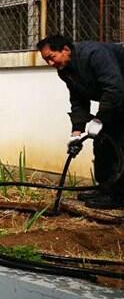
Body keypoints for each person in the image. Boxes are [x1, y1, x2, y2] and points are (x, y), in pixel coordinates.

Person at [37, 34, 124, 209]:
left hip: (119, 94)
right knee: (102, 142)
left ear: (66, 50)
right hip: (116, 100)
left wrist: (99, 119)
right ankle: (105, 189)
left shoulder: (94, 54)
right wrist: (76, 133)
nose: (50, 64)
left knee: (121, 144)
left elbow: (114, 88)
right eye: (47, 60)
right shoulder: (65, 70)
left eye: (51, 57)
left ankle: (118, 196)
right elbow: (78, 101)